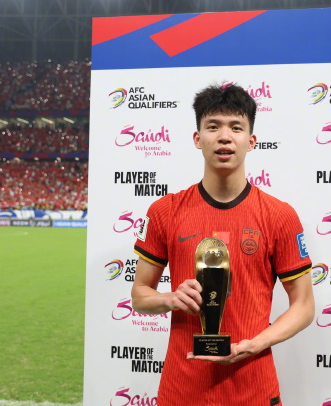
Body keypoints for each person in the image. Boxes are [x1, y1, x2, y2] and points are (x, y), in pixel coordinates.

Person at [131, 83, 315, 406]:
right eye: (213, 126)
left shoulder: (279, 216)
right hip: (182, 390)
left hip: (253, 388)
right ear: (197, 138)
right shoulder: (165, 211)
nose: (225, 136)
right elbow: (139, 295)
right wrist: (170, 299)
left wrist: (256, 343)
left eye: (236, 127)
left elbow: (304, 306)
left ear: (251, 141)